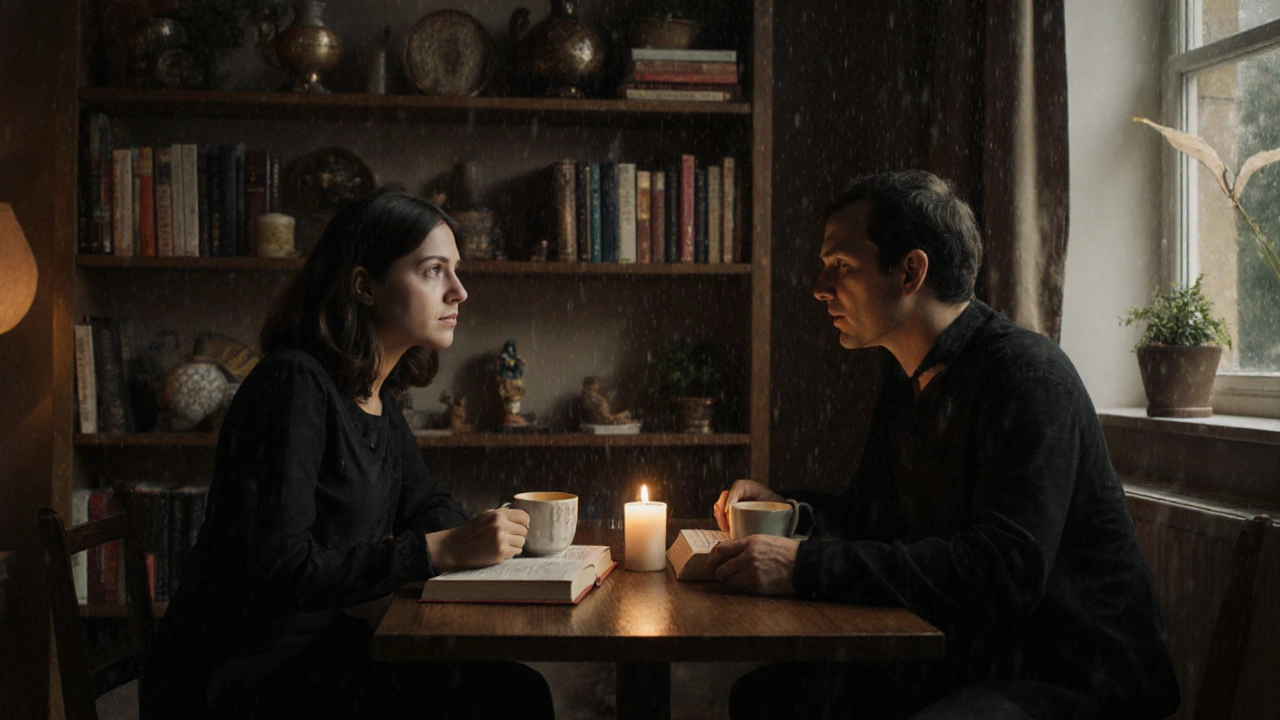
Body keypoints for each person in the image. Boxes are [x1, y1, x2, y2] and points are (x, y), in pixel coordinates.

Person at [706, 171, 1179, 720]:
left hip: (1077, 675)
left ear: (911, 271)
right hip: (979, 653)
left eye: (841, 265)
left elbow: (1004, 575)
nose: (820, 286)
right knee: (768, 698)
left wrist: (804, 567)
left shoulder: (1027, 377)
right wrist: (787, 512)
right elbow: (875, 517)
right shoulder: (907, 376)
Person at [143, 191, 555, 719]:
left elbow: (424, 502)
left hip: (312, 653)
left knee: (511, 688)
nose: (459, 291)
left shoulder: (376, 396)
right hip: (238, 675)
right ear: (364, 285)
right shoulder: (292, 385)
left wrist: (486, 536)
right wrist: (437, 551)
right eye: (433, 271)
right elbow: (280, 572)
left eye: (456, 271)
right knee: (513, 697)